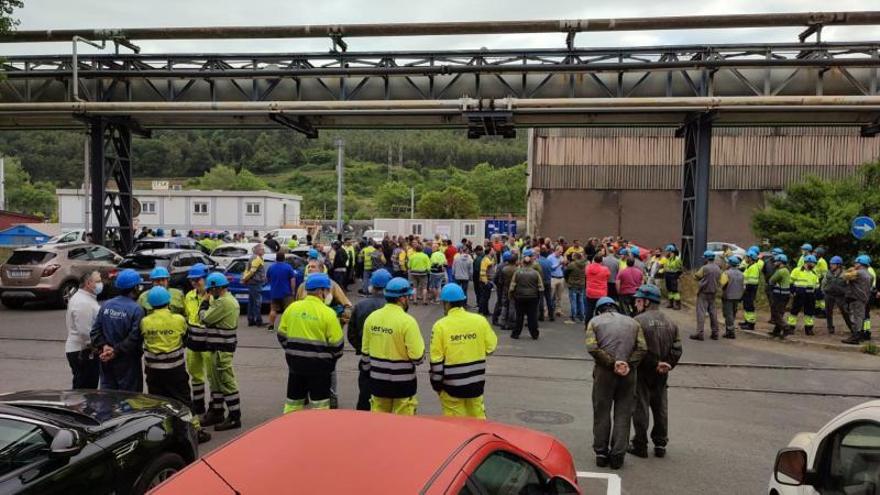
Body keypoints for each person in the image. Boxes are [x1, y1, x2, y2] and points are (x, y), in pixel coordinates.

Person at [141, 286, 211, 443]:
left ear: (151, 304)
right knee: (184, 401)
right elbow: (186, 339)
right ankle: (196, 431)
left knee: (158, 403)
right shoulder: (178, 320)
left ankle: (162, 434)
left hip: (154, 372)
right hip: (175, 370)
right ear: (168, 302)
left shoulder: (145, 322)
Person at [586, 297, 647, 470]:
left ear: (599, 310)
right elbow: (643, 348)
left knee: (602, 412)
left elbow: (592, 348)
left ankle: (601, 453)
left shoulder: (594, 322)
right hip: (628, 373)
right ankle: (618, 456)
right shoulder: (633, 323)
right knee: (624, 413)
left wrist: (612, 364)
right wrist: (627, 363)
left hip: (604, 373)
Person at [276, 273, 344, 412]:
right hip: (320, 368)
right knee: (320, 406)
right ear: (321, 291)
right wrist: (329, 361)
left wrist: (293, 351)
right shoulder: (328, 313)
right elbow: (337, 346)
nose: (328, 293)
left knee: (293, 403)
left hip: (295, 365)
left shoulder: (292, 308)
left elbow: (281, 335)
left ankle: (289, 429)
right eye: (327, 290)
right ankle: (316, 432)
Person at [628, 284, 681, 459]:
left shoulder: (638, 321)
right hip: (662, 373)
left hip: (643, 372)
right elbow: (677, 348)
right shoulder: (671, 323)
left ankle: (640, 444)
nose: (636, 304)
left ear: (646, 301)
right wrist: (667, 364)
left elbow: (637, 349)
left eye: (638, 300)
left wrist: (654, 363)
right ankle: (660, 444)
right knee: (660, 408)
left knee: (640, 407)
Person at [430, 283, 498, 419]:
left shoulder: (440, 326)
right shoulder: (480, 321)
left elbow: (436, 361)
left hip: (451, 387)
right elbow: (491, 348)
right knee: (478, 420)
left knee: (455, 426)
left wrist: (437, 385)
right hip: (476, 385)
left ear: (447, 303)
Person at [361, 278, 425, 415]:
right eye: (408, 296)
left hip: (377, 383)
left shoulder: (372, 318)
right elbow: (418, 357)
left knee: (379, 425)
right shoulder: (408, 322)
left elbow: (365, 354)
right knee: (403, 428)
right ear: (402, 299)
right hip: (403, 385)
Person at [199, 272, 242, 431]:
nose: (209, 293)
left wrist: (204, 303)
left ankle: (234, 416)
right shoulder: (223, 300)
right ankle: (217, 411)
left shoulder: (224, 302)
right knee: (215, 381)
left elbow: (204, 318)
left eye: (210, 290)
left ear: (217, 288)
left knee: (226, 382)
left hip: (222, 350)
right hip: (216, 348)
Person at [90, 269, 145, 392]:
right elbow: (134, 338)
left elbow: (95, 332)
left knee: (107, 398)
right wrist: (115, 351)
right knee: (129, 400)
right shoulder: (137, 310)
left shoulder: (106, 305)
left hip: (106, 359)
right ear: (135, 287)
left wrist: (104, 346)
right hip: (128, 362)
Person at [348, 269, 392, 411]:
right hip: (391, 360)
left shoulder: (361, 305)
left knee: (365, 397)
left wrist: (361, 349)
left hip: (367, 359)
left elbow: (351, 334)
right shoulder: (396, 307)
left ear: (372, 286)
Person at [66, 271, 102, 389]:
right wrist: (95, 347)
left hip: (83, 351)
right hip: (83, 352)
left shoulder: (86, 298)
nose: (101, 284)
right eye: (98, 281)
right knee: (84, 391)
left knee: (85, 388)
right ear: (88, 283)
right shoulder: (83, 302)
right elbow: (85, 332)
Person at [509, 249, 544, 340]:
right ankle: (534, 334)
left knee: (519, 316)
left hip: (519, 297)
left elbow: (512, 286)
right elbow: (540, 287)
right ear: (531, 263)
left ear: (523, 263)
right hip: (533, 297)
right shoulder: (535, 273)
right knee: (532, 317)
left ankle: (516, 333)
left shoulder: (517, 272)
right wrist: (539, 297)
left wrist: (511, 295)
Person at [842, 255, 874, 345]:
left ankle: (855, 337)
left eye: (856, 263)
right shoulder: (870, 275)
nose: (855, 264)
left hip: (856, 298)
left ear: (860, 264)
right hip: (864, 298)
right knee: (860, 316)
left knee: (856, 317)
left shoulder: (857, 273)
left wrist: (849, 270)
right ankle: (857, 336)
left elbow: (843, 277)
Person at [691, 250, 721, 341]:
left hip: (703, 292)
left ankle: (699, 333)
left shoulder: (704, 268)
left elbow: (696, 276)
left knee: (701, 312)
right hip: (713, 292)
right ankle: (715, 333)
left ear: (707, 258)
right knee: (713, 312)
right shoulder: (718, 268)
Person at [267, 249, 298, 332]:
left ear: (276, 258)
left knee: (273, 310)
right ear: (284, 258)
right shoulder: (288, 267)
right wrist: (293, 291)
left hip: (274, 292)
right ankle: (286, 326)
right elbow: (292, 280)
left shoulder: (271, 267)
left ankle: (271, 326)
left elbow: (268, 279)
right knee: (288, 310)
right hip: (286, 293)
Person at [788, 255, 820, 336]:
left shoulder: (814, 273)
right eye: (813, 263)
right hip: (799, 294)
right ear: (808, 262)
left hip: (810, 295)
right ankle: (791, 327)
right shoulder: (797, 270)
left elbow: (817, 285)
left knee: (809, 312)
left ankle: (809, 329)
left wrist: (816, 294)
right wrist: (792, 292)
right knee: (794, 311)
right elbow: (790, 282)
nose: (814, 265)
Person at [823, 256, 852, 335]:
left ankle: (852, 328)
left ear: (838, 265)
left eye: (833, 264)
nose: (831, 265)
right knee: (828, 312)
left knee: (845, 312)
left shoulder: (845, 274)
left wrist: (847, 294)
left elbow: (849, 285)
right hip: (829, 294)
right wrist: (824, 290)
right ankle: (830, 328)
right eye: (830, 264)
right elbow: (824, 282)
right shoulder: (828, 272)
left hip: (840, 296)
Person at [241, 244, 267, 328]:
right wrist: (245, 279)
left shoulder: (252, 257)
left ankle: (251, 320)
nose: (263, 251)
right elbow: (252, 271)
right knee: (257, 302)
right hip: (256, 283)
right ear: (257, 250)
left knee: (251, 302)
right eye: (262, 249)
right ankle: (258, 321)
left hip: (252, 283)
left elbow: (246, 270)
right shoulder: (257, 258)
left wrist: (245, 278)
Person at [739, 249, 764, 330]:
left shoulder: (753, 267)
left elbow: (752, 281)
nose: (746, 258)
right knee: (746, 305)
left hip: (750, 289)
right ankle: (747, 321)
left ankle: (751, 324)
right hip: (748, 288)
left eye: (747, 257)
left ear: (751, 258)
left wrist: (746, 289)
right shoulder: (749, 266)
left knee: (749, 306)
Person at [720, 256, 745, 339]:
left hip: (728, 296)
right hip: (738, 296)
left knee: (728, 314)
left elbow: (722, 284)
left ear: (730, 264)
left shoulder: (726, 273)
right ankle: (730, 329)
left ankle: (730, 332)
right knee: (733, 313)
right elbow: (743, 286)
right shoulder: (741, 274)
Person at [768, 254, 792, 339]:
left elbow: (771, 280)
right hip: (785, 294)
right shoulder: (786, 270)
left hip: (780, 294)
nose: (774, 263)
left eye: (776, 261)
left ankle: (786, 328)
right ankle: (776, 331)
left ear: (780, 262)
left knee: (775, 313)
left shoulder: (780, 271)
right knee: (780, 312)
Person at [493, 252, 518, 330]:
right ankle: (511, 322)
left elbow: (499, 280)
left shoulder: (503, 268)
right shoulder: (517, 270)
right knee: (512, 306)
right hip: (513, 289)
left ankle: (502, 322)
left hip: (504, 288)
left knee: (504, 305)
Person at [585, 254, 610, 325]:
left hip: (590, 292)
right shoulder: (605, 269)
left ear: (594, 260)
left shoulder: (588, 268)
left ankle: (587, 325)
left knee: (589, 310)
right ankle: (600, 325)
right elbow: (608, 276)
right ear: (601, 261)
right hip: (601, 293)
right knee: (601, 310)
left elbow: (586, 274)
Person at [659, 244, 682, 309]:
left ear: (672, 251)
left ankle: (677, 304)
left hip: (674, 276)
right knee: (669, 290)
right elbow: (666, 266)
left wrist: (676, 276)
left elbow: (680, 269)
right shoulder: (668, 259)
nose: (667, 253)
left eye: (668, 251)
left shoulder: (677, 259)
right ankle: (671, 303)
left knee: (674, 290)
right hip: (667, 275)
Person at [548, 246, 566, 319]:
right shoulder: (550, 257)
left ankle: (558, 310)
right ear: (556, 250)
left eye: (562, 252)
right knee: (551, 296)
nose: (561, 253)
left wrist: (564, 264)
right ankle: (547, 310)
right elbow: (551, 268)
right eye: (560, 252)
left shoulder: (561, 257)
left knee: (559, 296)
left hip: (561, 278)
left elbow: (562, 268)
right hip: (553, 278)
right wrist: (559, 263)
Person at [537, 249, 555, 321]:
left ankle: (541, 316)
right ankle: (551, 316)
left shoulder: (537, 262)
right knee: (549, 299)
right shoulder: (549, 262)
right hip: (548, 281)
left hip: (541, 282)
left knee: (540, 299)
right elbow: (552, 269)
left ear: (540, 254)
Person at [477, 249, 496, 316]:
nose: (494, 251)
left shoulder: (489, 259)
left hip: (488, 281)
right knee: (485, 297)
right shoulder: (485, 260)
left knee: (485, 297)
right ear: (490, 252)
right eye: (493, 251)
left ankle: (483, 311)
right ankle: (484, 312)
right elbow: (482, 272)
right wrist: (486, 282)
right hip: (486, 281)